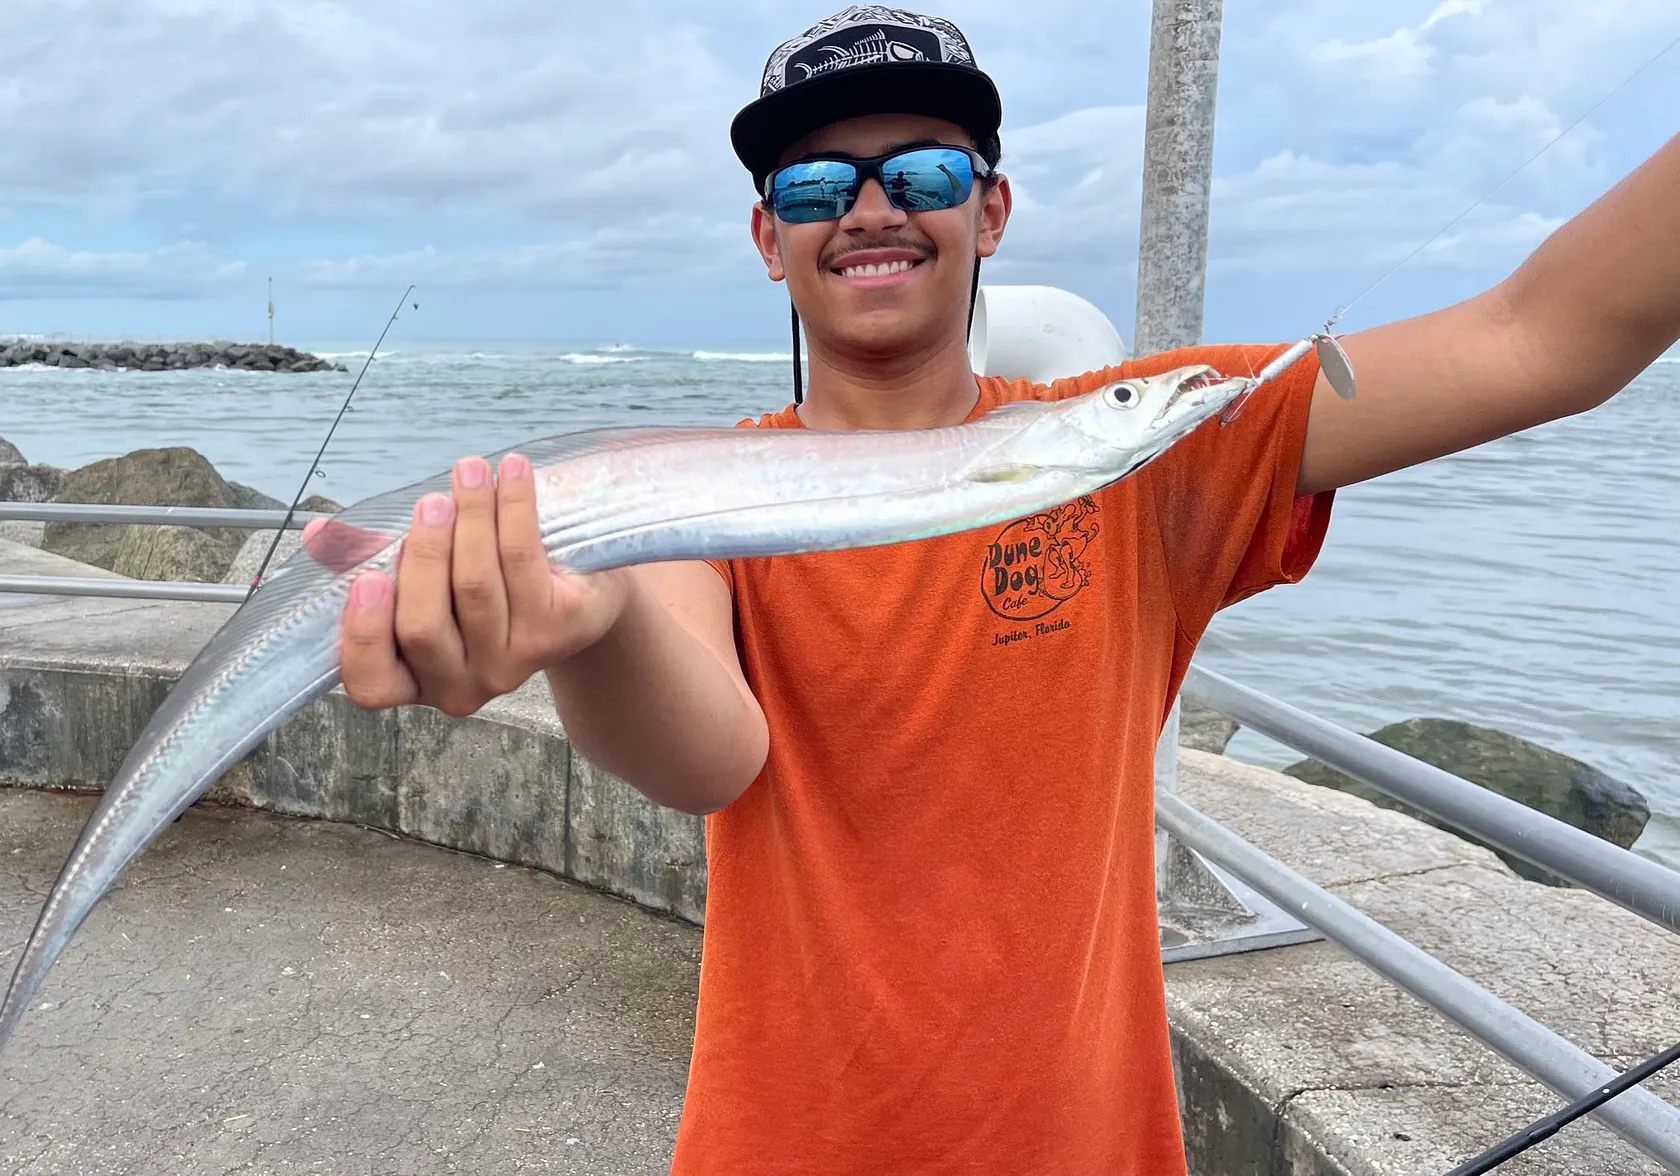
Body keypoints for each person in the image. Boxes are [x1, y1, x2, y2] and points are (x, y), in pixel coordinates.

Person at [318, 6, 1680, 1173]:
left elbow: (1540, 338)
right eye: (812, 187)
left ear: (992, 207)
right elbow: (709, 754)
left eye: (918, 169)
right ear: (765, 238)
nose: (866, 209)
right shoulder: (690, 490)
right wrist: (590, 624)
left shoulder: (1139, 442)